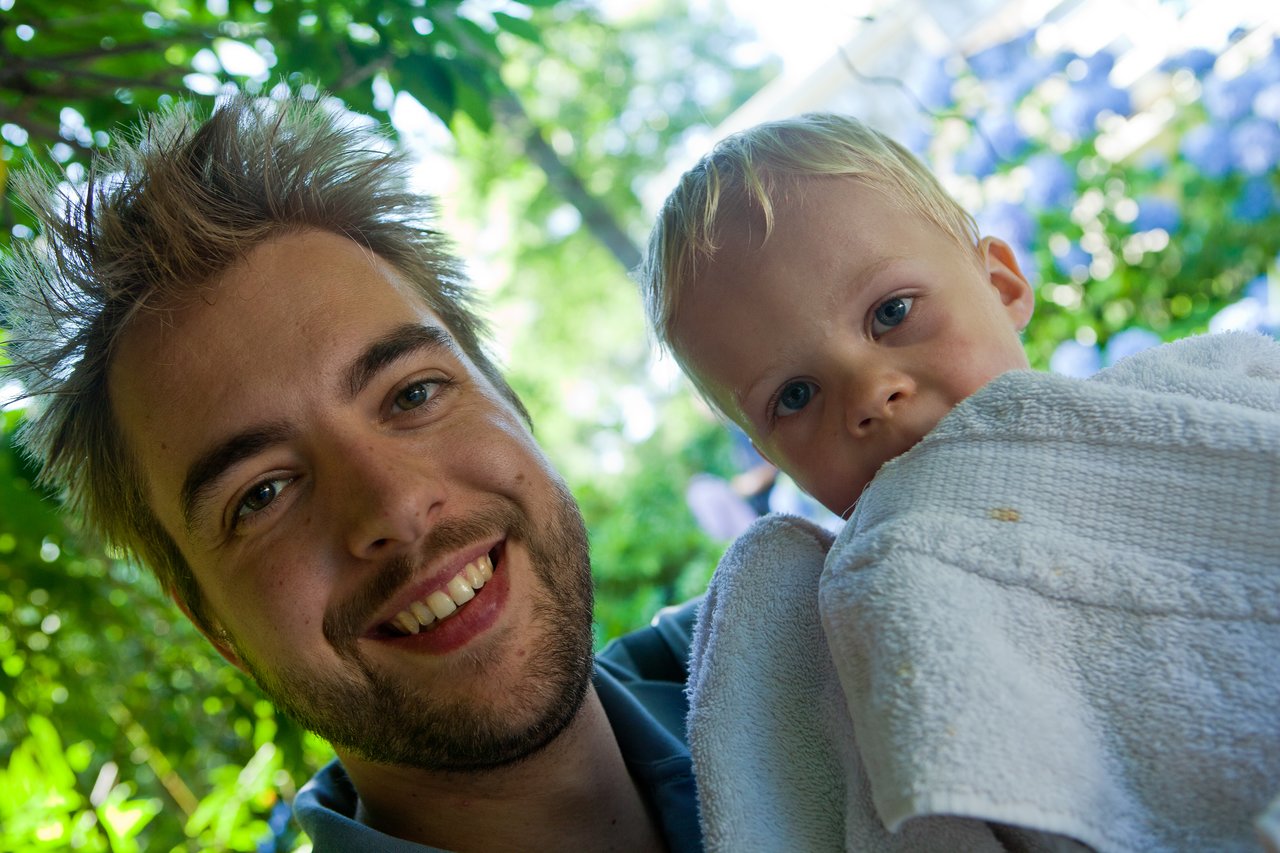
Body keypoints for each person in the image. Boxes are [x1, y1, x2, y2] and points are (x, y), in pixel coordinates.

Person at [1, 92, 701, 852]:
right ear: (213, 623)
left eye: (414, 393)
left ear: (509, 399)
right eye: (262, 493)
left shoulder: (819, 641)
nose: (396, 507)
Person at [639, 113, 1280, 851]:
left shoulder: (1189, 404)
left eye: (892, 312)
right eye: (795, 395)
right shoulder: (835, 634)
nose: (869, 392)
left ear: (1002, 284)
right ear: (770, 453)